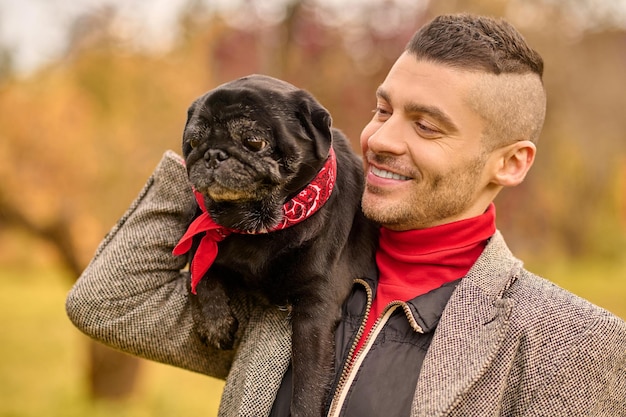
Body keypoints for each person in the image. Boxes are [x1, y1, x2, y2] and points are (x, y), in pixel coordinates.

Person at [66, 13, 626, 417]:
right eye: (383, 109)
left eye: (426, 125)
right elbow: (107, 302)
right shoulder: (281, 265)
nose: (381, 139)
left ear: (510, 163)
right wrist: (217, 172)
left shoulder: (576, 346)